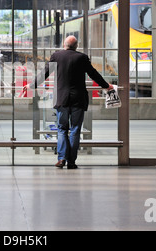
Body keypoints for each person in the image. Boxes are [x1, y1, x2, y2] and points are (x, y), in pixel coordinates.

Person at [23, 36, 114, 169]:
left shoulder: (56, 56)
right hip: (78, 99)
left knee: (62, 129)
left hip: (62, 99)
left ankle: (61, 158)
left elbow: (45, 73)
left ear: (64, 45)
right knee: (75, 130)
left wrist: (32, 85)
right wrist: (106, 86)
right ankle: (71, 161)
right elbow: (93, 74)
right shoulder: (82, 58)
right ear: (76, 46)